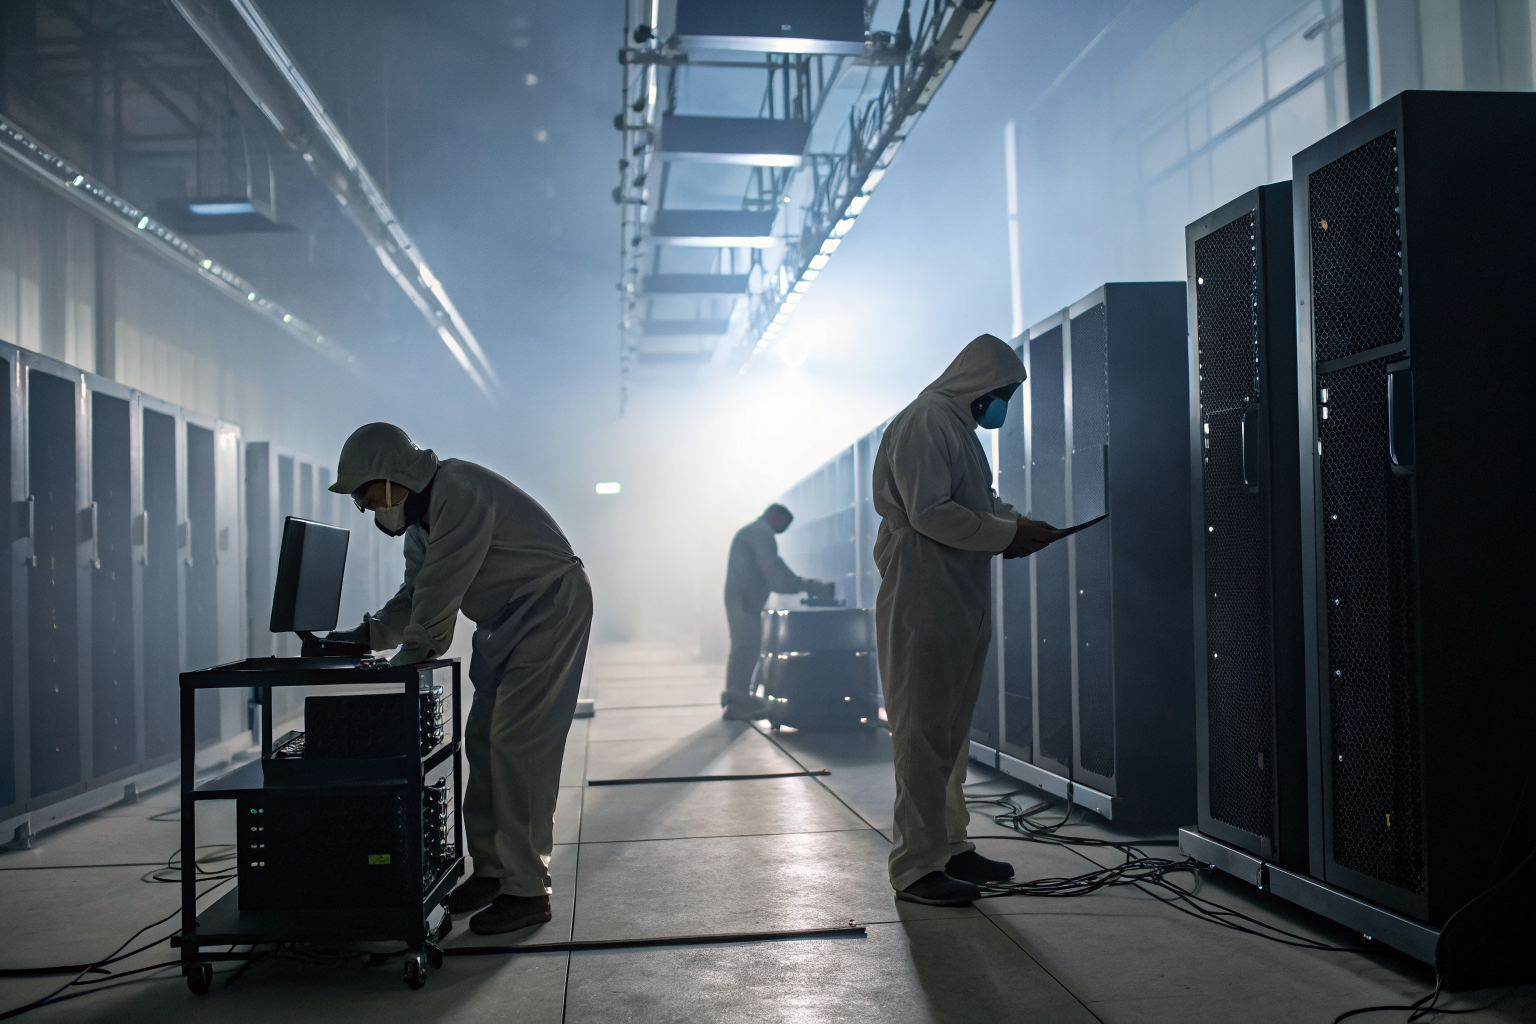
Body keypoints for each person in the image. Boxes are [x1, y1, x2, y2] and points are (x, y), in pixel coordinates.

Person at [324, 423, 592, 936]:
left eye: (363, 494)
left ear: (390, 477)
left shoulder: (457, 491)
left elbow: (442, 588)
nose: (365, 506)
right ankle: (492, 871)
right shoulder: (422, 521)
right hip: (502, 620)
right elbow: (416, 593)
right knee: (483, 742)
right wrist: (363, 637)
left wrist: (414, 650)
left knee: (518, 744)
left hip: (548, 606)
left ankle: (528, 889)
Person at [872, 335, 1059, 907]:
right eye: (1001, 393)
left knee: (951, 732)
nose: (1002, 404)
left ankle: (950, 845)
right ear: (979, 383)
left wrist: (1020, 525)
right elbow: (929, 511)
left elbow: (981, 503)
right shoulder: (928, 420)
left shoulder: (958, 429)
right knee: (922, 730)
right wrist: (1007, 535)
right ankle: (916, 867)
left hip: (958, 591)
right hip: (923, 590)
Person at [721, 504, 828, 721]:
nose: (785, 527)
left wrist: (799, 583)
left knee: (745, 648)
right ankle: (736, 702)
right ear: (774, 514)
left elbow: (774, 566)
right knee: (745, 648)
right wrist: (804, 584)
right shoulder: (761, 532)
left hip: (742, 598)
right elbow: (772, 571)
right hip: (743, 599)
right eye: (784, 521)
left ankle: (738, 696)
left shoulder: (753, 531)